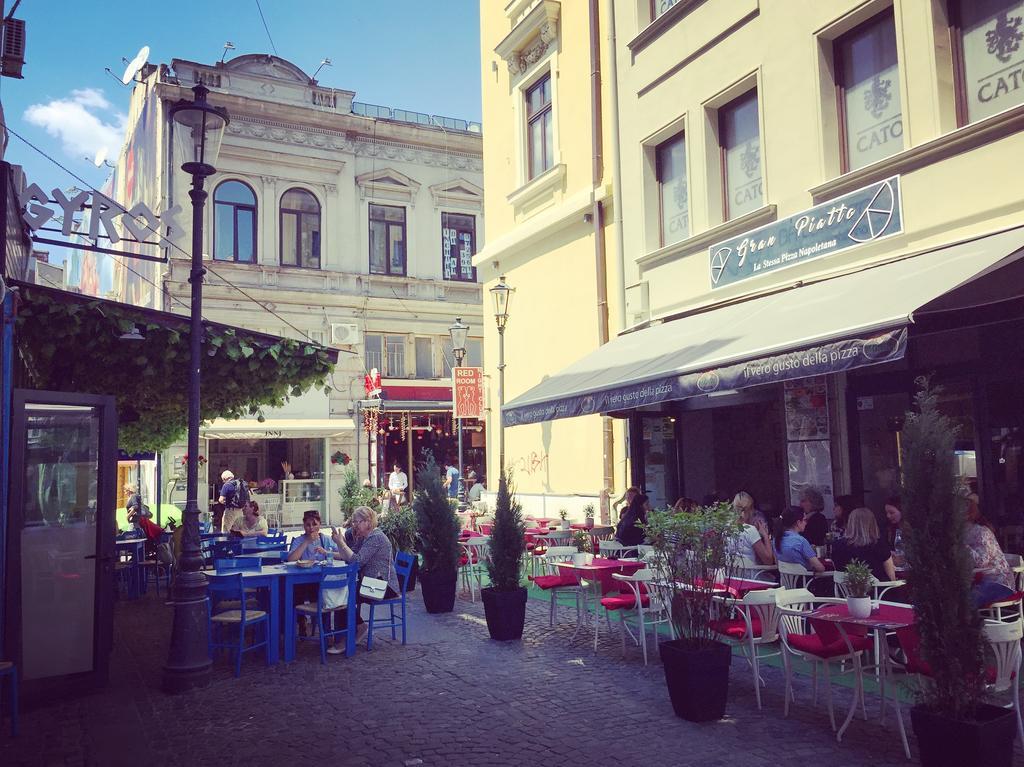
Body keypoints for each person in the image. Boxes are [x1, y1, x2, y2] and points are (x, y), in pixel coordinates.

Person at [329, 505, 400, 653]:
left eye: (357, 522)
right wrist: (334, 547)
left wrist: (341, 542)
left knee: (343, 595)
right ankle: (351, 631)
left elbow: (356, 561)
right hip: (373, 583)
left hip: (385, 587)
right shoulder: (366, 537)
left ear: (368, 522)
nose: (354, 525)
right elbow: (349, 556)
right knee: (343, 592)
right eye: (353, 522)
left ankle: (354, 632)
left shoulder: (376, 537)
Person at [966, 499, 1016, 607]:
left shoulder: (981, 532)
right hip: (981, 582)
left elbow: (982, 561)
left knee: (967, 601)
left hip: (999, 583)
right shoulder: (966, 533)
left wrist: (964, 546)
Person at [831, 507, 897, 582]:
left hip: (848, 591)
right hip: (878, 591)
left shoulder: (837, 545)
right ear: (872, 524)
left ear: (850, 523)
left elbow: (838, 570)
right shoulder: (879, 544)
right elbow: (892, 578)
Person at [774, 506, 826, 574]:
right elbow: (820, 568)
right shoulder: (801, 541)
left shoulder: (776, 539)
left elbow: (778, 564)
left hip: (786, 582)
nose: (806, 523)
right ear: (798, 522)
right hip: (805, 582)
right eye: (805, 520)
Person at [733, 499, 775, 566]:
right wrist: (765, 535)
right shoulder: (750, 530)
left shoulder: (728, 529)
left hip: (733, 574)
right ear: (751, 510)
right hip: (752, 575)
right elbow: (769, 561)